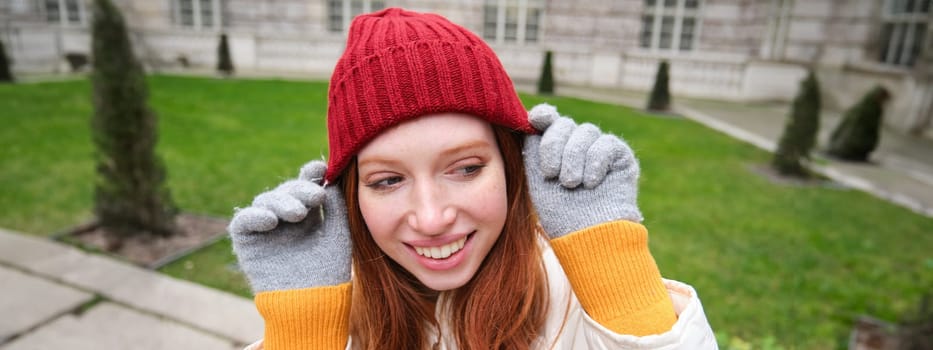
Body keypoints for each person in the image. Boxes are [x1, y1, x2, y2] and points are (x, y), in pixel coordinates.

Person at [228, 7, 716, 350]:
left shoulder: (582, 301)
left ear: (514, 164)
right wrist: (303, 329)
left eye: (465, 168)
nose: (433, 217)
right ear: (348, 196)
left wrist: (616, 266)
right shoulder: (328, 317)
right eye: (387, 181)